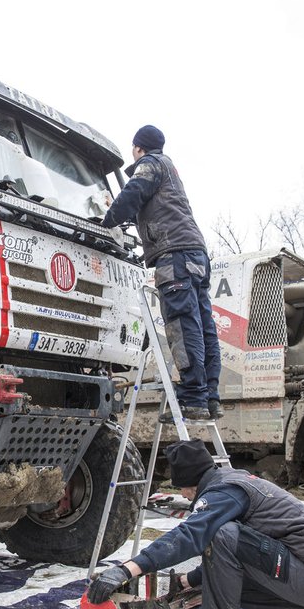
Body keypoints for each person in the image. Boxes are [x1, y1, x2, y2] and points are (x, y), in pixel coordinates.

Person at [86, 440, 304, 609]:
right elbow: (236, 560)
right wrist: (188, 580)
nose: (185, 496)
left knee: (220, 533)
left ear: (190, 481)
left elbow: (191, 535)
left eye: (182, 489)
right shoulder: (230, 480)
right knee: (226, 552)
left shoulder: (224, 492)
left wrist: (128, 569)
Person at [102, 125, 221, 421]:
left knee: (183, 324)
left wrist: (107, 220)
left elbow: (133, 194)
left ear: (138, 147)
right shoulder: (169, 170)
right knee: (204, 326)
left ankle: (192, 398)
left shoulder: (150, 163)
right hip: (195, 253)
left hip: (176, 256)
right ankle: (210, 398)